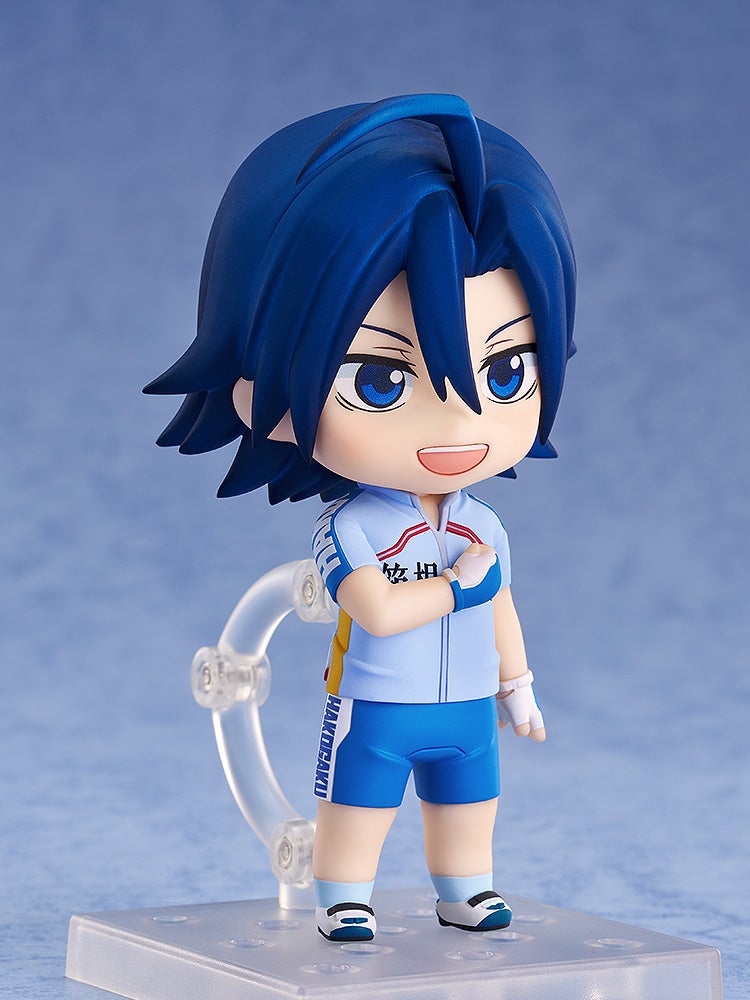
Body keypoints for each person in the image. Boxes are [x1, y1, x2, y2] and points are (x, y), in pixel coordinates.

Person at [145, 94, 576, 942]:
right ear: (258, 383)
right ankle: (345, 897)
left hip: (466, 706)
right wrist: (458, 591)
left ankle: (466, 890)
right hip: (379, 704)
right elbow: (376, 608)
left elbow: (502, 604)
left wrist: (518, 683)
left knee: (471, 803)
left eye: (505, 373)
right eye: (380, 381)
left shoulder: (484, 527)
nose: (459, 425)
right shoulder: (355, 528)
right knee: (358, 805)